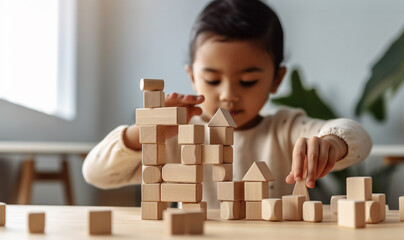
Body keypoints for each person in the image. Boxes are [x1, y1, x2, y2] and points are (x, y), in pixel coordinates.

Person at [82, 0, 372, 208]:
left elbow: (357, 136)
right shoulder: (176, 135)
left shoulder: (286, 128)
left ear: (276, 79)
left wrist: (332, 143)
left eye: (247, 82)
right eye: (211, 80)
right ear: (192, 77)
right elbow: (96, 173)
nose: (228, 95)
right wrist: (142, 133)